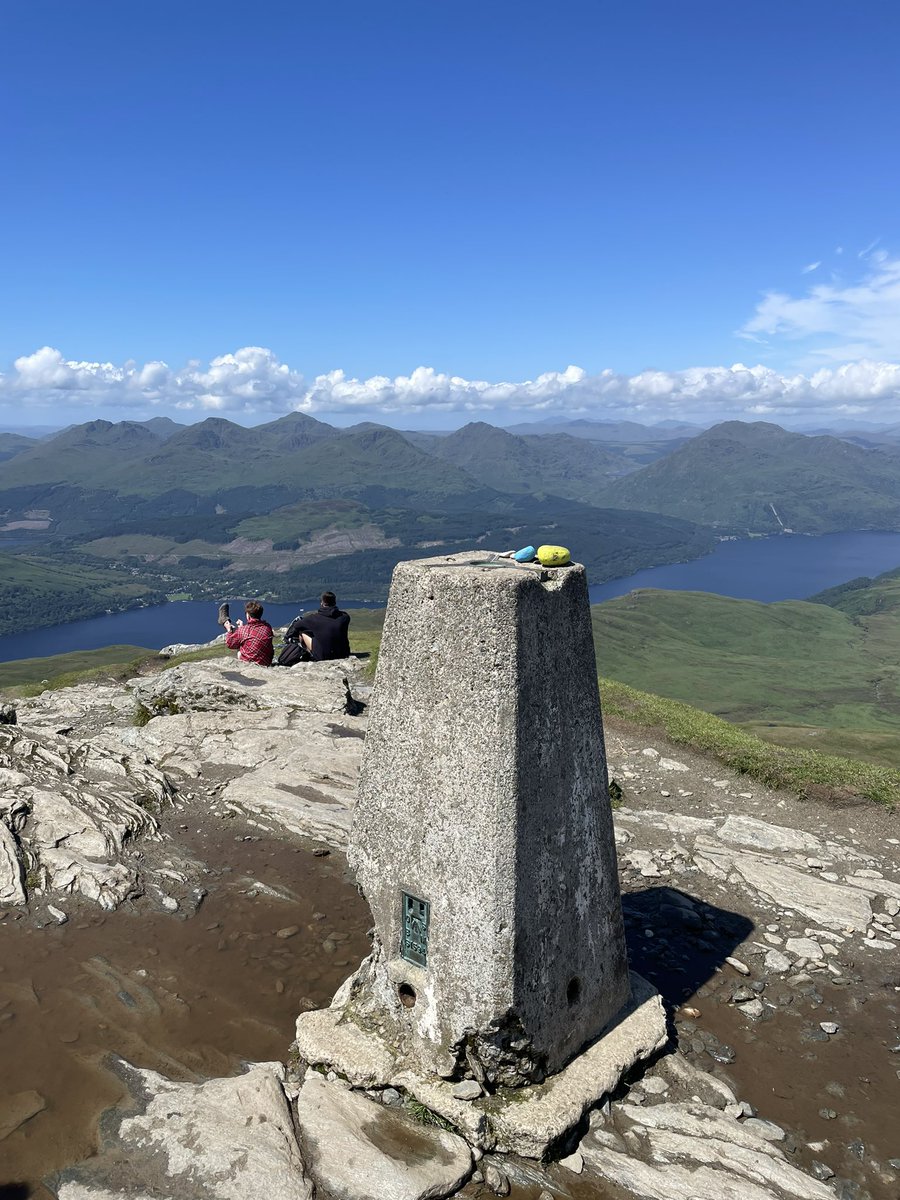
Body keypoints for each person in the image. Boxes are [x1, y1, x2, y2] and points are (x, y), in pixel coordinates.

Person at [285, 591, 351, 662]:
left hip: (323, 656)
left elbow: (297, 625)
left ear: (322, 603)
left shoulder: (314, 618)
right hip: (343, 654)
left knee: (302, 632)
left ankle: (308, 653)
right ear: (335, 602)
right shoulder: (345, 617)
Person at [220, 599, 274, 666]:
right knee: (245, 641)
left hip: (249, 664)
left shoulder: (243, 630)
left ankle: (224, 620)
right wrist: (241, 628)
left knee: (239, 648)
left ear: (248, 615)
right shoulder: (267, 627)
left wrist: (229, 630)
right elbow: (252, 632)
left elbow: (230, 644)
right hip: (266, 662)